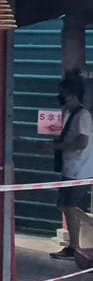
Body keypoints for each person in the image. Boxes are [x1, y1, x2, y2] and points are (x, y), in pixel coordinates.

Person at [50, 71, 93, 259]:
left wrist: (59, 146)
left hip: (79, 171)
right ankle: (73, 245)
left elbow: (82, 142)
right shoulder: (68, 113)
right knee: (66, 206)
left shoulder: (82, 115)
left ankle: (74, 247)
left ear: (72, 94)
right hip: (70, 169)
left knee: (72, 207)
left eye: (64, 93)